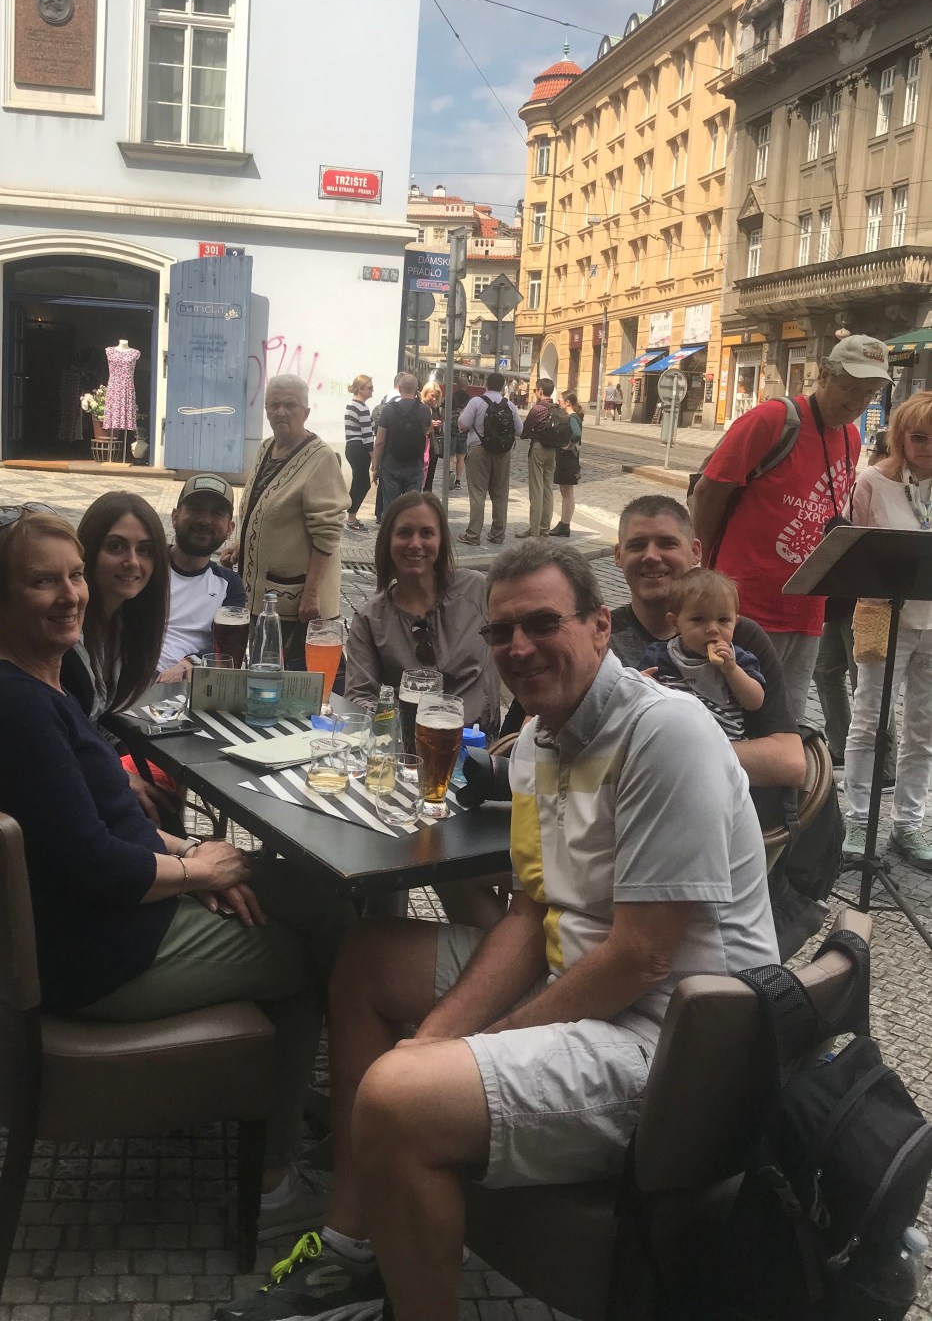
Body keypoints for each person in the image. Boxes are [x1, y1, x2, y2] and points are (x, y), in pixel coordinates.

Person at [221, 541, 777, 1321]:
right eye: (501, 631)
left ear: (599, 626)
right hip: (586, 982)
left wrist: (481, 1044)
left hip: (679, 1045)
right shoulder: (540, 743)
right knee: (369, 959)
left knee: (397, 1098)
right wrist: (437, 1039)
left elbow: (642, 955)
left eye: (542, 623)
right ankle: (353, 1250)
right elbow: (530, 913)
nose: (519, 647)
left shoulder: (666, 733)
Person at [0, 506, 353, 1239]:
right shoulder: (16, 705)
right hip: (98, 954)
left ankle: (298, 1098)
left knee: (327, 898)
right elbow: (94, 866)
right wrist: (193, 873)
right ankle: (274, 1177)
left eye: (75, 575)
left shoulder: (39, 678)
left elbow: (94, 822)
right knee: (309, 955)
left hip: (104, 917)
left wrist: (190, 855)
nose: (71, 595)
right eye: (44, 582)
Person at [690, 335, 891, 720]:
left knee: (787, 721)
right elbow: (708, 492)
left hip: (807, 609)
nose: (859, 401)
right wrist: (705, 569)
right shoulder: (774, 420)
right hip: (746, 605)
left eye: (870, 392)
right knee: (734, 719)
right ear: (824, 375)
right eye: (851, 388)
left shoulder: (850, 436)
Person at [610, 495, 805, 809]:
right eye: (637, 545)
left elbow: (790, 763)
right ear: (618, 555)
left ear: (695, 552)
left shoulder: (740, 638)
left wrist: (666, 755)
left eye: (667, 543)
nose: (651, 556)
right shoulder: (600, 639)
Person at [842, 390, 932, 873]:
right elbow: (852, 552)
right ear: (899, 438)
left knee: (924, 731)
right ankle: (859, 819)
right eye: (919, 438)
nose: (928, 448)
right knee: (868, 722)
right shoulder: (874, 482)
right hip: (885, 619)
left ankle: (908, 824)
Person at [344, 491, 499, 735]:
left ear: (441, 541)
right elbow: (359, 696)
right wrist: (393, 724)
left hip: (479, 745)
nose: (415, 544)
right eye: (404, 533)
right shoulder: (370, 620)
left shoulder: (477, 591)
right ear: (387, 541)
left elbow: (522, 640)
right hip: (409, 746)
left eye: (426, 533)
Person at [231, 375, 350, 663]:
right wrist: (242, 546)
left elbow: (327, 532)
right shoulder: (266, 448)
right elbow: (259, 509)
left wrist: (311, 593)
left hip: (296, 606)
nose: (280, 412)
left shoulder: (320, 458)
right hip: (263, 602)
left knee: (290, 680)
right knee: (262, 672)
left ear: (306, 412)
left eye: (290, 405)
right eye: (273, 405)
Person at [812, 427, 895, 773]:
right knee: (825, 669)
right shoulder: (863, 482)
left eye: (878, 452)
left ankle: (883, 765)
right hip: (840, 596)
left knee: (868, 680)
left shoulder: (889, 489)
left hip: (866, 601)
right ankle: (840, 744)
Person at [75, 490, 171, 721]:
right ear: (88, 550)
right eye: (116, 546)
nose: (133, 561)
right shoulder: (66, 629)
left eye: (145, 550)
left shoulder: (128, 624)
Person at [639, 568, 766, 741]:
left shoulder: (738, 658)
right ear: (675, 622)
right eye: (698, 619)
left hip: (726, 744)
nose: (712, 629)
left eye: (723, 620)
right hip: (672, 741)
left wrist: (731, 670)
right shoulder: (660, 656)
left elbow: (754, 702)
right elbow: (636, 694)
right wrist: (643, 683)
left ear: (735, 622)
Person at [156, 475, 246, 683]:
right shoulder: (148, 564)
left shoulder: (229, 584)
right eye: (195, 509)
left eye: (217, 513)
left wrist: (189, 664)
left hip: (187, 685)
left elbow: (229, 646)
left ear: (230, 529)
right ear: (175, 516)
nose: (205, 520)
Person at [457, 371, 523, 545]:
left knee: (477, 494)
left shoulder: (476, 402)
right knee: (500, 493)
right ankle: (497, 534)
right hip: (502, 453)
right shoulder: (509, 405)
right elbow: (520, 431)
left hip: (478, 451)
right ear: (502, 387)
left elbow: (463, 425)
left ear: (486, 384)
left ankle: (473, 535)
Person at [371, 372, 431, 514]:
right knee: (413, 508)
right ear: (416, 389)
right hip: (415, 464)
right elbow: (427, 432)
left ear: (400, 388)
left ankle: (390, 528)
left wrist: (375, 467)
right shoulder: (424, 410)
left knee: (390, 508)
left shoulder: (388, 409)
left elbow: (379, 441)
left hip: (391, 464)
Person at [515, 377, 561, 538]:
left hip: (538, 449)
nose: (534, 393)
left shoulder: (538, 409)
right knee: (548, 489)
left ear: (541, 391)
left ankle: (534, 530)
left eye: (535, 390)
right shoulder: (557, 408)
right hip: (552, 451)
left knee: (536, 490)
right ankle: (544, 529)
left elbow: (524, 432)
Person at [343, 375, 375, 533]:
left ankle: (351, 516)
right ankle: (351, 517)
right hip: (359, 447)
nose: (372, 391)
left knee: (359, 482)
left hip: (352, 447)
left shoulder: (352, 404)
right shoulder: (361, 407)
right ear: (360, 389)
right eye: (370, 388)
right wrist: (374, 457)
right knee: (362, 484)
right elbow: (367, 436)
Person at [550, 388, 584, 537]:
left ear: (568, 402)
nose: (558, 402)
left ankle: (565, 525)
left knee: (567, 492)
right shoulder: (573, 416)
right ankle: (563, 523)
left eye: (560, 400)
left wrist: (569, 446)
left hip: (568, 458)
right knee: (565, 491)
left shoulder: (572, 417)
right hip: (568, 458)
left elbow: (576, 434)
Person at [445, 381, 470, 490]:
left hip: (451, 431)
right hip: (463, 431)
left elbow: (444, 413)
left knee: (450, 456)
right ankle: (458, 481)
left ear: (457, 385)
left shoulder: (451, 396)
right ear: (467, 386)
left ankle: (450, 474)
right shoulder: (470, 399)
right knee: (461, 458)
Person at [420, 381, 444, 493]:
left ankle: (427, 499)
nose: (434, 399)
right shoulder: (420, 407)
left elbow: (438, 431)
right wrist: (429, 425)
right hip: (421, 446)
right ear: (425, 393)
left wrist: (438, 426)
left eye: (436, 397)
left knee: (429, 479)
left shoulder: (436, 409)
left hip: (432, 447)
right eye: (432, 395)